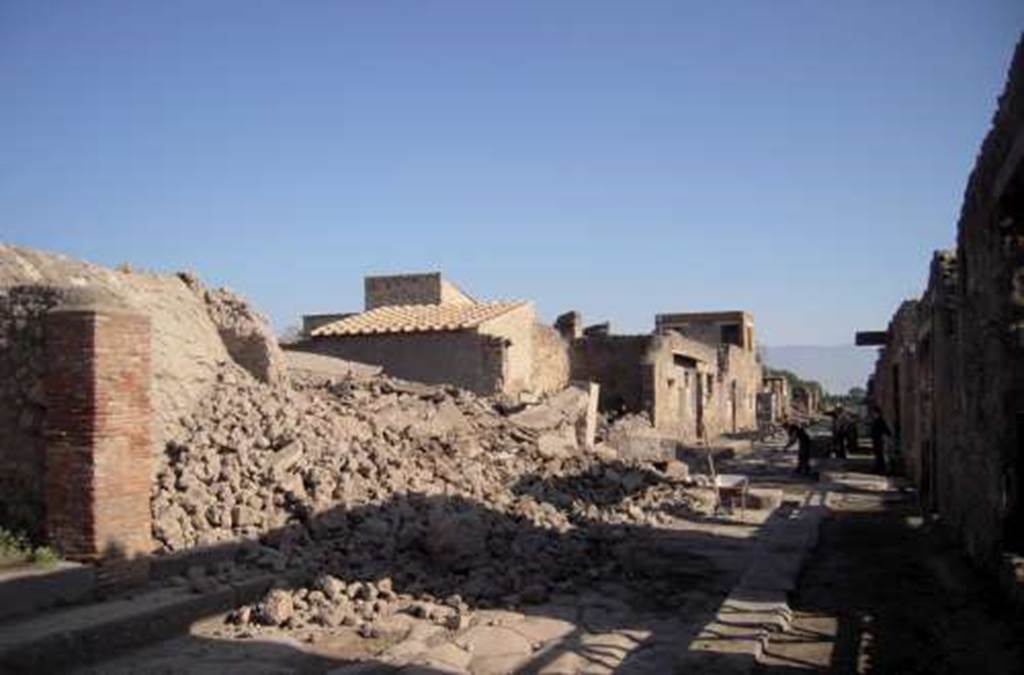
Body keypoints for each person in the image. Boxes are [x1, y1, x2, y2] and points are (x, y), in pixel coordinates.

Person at [869, 405, 891, 474]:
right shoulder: (876, 421)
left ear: (877, 413)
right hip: (876, 440)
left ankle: (881, 469)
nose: (873, 415)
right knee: (878, 455)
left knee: (880, 455)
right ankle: (879, 468)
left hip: (880, 440)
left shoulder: (880, 421)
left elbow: (887, 431)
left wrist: (885, 438)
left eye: (874, 413)